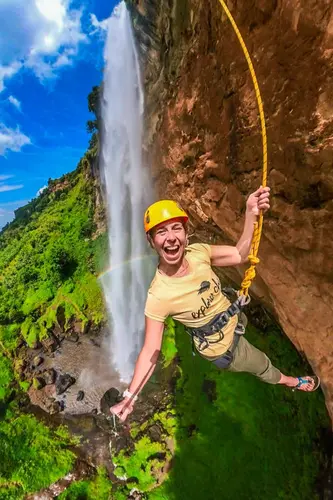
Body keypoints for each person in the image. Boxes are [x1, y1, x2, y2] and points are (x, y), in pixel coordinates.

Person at [110, 187, 320, 422]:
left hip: (236, 318)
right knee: (263, 365)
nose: (170, 237)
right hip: (225, 348)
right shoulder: (159, 296)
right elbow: (151, 350)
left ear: (186, 233)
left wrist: (251, 213)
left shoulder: (198, 252)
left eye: (176, 228)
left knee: (247, 330)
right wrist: (130, 397)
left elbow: (239, 255)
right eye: (160, 232)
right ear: (151, 241)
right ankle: (291, 381)